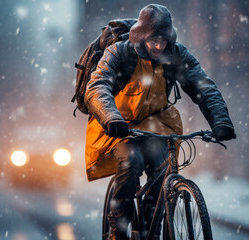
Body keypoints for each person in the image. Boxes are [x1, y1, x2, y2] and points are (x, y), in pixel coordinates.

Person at [84, 4, 236, 240]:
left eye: (163, 40)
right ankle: (119, 232)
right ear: (141, 35)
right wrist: (111, 117)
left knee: (163, 166)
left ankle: (148, 231)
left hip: (158, 123)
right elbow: (97, 87)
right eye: (153, 39)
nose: (158, 46)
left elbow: (203, 86)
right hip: (118, 123)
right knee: (131, 161)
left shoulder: (177, 54)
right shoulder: (119, 53)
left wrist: (221, 120)